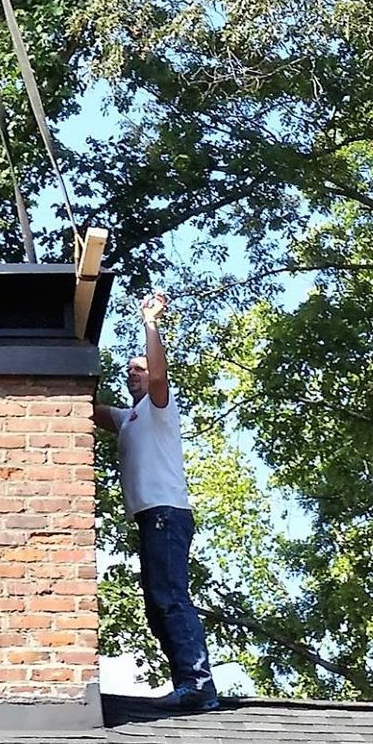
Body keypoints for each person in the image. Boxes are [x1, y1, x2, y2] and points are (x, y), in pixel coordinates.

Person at [94, 290, 221, 712]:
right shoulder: (129, 418)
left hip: (167, 513)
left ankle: (198, 684)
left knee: (169, 597)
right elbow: (89, 410)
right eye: (128, 371)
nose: (133, 375)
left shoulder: (159, 406)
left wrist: (151, 321)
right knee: (155, 604)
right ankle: (188, 684)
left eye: (140, 370)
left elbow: (161, 375)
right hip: (152, 518)